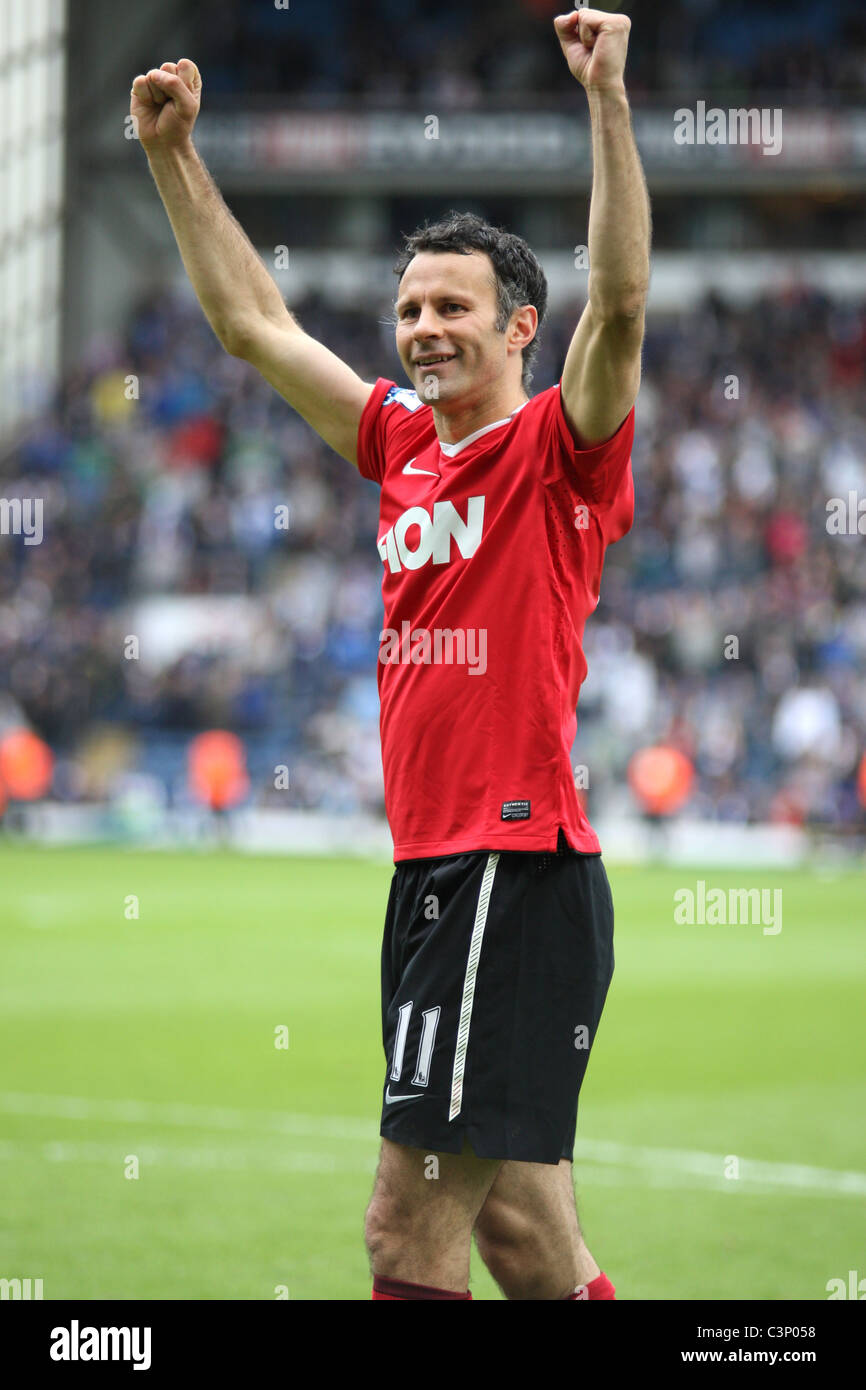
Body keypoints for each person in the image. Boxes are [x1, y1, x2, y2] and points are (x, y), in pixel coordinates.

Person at [132, 5, 650, 1301]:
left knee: (399, 1234)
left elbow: (624, 300)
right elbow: (253, 324)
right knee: (527, 1243)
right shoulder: (398, 444)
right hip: (440, 873)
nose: (421, 326)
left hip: (506, 867)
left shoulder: (556, 450)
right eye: (409, 305)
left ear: (520, 327)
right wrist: (171, 154)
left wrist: (606, 101)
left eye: (453, 306)